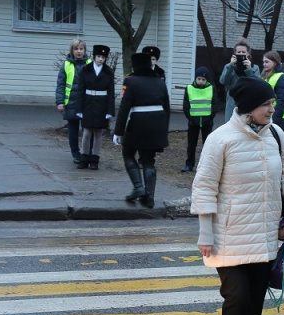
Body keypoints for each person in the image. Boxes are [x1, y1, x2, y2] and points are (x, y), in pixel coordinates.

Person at [191, 77, 284, 315]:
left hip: (265, 236)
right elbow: (205, 186)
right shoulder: (220, 139)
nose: (272, 109)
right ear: (249, 107)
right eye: (266, 104)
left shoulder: (276, 136)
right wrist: (205, 232)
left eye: (272, 103)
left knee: (254, 303)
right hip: (229, 238)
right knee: (236, 298)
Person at [114, 52, 170, 207]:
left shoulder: (130, 81)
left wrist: (118, 131)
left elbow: (124, 107)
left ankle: (138, 187)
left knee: (128, 153)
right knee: (148, 160)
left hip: (138, 123)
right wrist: (164, 130)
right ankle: (149, 197)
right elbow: (167, 106)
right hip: (157, 123)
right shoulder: (160, 81)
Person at [76, 44, 115, 170]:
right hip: (87, 103)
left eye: (103, 57)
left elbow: (111, 93)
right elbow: (80, 90)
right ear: (94, 56)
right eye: (98, 56)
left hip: (101, 105)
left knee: (98, 133)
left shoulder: (108, 72)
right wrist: (79, 109)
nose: (100, 59)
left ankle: (95, 159)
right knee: (86, 133)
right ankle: (84, 157)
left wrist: (110, 110)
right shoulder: (86, 69)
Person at [55, 38, 89, 164]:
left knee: (88, 130)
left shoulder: (90, 64)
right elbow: (61, 85)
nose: (79, 51)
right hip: (71, 102)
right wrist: (60, 101)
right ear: (72, 50)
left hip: (87, 103)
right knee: (73, 131)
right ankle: (75, 153)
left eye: (81, 49)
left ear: (85, 50)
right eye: (76, 49)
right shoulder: (66, 65)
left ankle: (87, 153)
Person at [182, 66, 215, 173]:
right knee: (191, 144)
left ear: (207, 80)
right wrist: (190, 118)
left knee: (207, 145)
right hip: (193, 122)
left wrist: (210, 117)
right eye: (199, 79)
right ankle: (189, 164)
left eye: (203, 79)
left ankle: (206, 166)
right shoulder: (189, 88)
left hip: (207, 122)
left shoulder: (211, 88)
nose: (201, 81)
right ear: (195, 78)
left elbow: (215, 104)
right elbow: (186, 105)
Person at [219, 38, 261, 122]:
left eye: (243, 52)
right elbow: (223, 81)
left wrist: (249, 70)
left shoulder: (254, 67)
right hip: (232, 103)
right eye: (238, 52)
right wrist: (231, 66)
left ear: (248, 54)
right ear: (234, 53)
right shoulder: (228, 66)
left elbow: (257, 85)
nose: (241, 54)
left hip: (248, 103)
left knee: (246, 129)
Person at [261, 50, 284, 134]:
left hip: (277, 119)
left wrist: (273, 122)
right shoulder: (265, 77)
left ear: (275, 62)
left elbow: (281, 101)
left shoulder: (281, 77)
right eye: (263, 62)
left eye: (267, 62)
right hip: (266, 117)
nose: (264, 64)